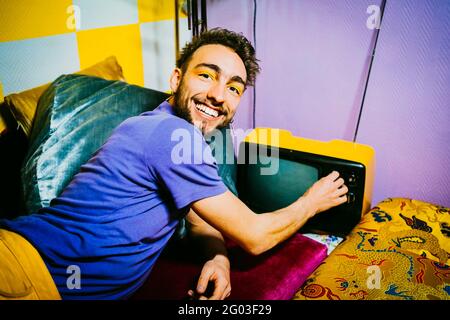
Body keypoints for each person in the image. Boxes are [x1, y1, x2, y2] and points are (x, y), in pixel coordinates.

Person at [0, 28, 348, 300]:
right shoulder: (169, 133)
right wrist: (311, 202)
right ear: (176, 79)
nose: (218, 95)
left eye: (234, 88)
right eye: (207, 75)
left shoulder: (178, 139)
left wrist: (219, 259)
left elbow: (200, 223)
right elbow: (254, 236)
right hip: (25, 270)